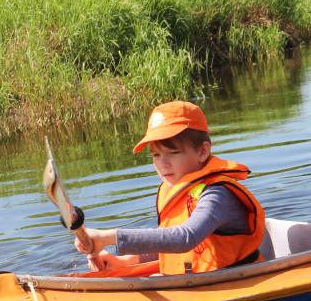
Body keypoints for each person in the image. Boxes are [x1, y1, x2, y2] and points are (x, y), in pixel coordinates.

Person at [75, 100, 266, 276]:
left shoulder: (217, 194)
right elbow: (167, 244)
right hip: (198, 281)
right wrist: (125, 261)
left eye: (173, 152)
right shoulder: (173, 191)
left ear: (202, 152)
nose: (163, 164)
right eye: (156, 155)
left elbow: (185, 238)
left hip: (237, 282)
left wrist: (109, 237)